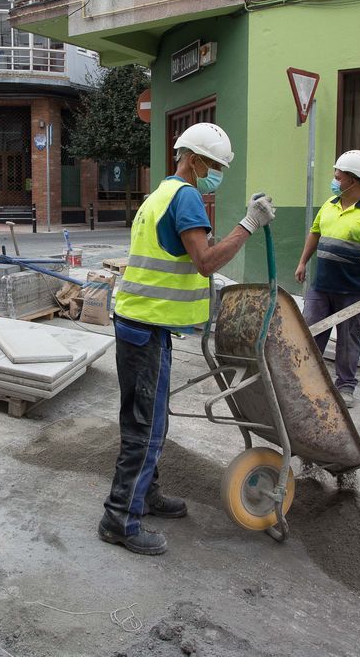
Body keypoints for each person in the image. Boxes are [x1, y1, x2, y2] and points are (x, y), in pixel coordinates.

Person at [99, 123, 275, 555]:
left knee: (147, 420)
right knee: (147, 427)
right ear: (194, 160)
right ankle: (119, 519)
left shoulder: (159, 195)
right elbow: (205, 260)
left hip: (140, 325)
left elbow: (175, 257)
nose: (217, 173)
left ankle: (147, 495)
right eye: (215, 165)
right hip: (146, 327)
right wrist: (249, 224)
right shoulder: (187, 196)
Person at [293, 149, 360, 408]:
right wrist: (303, 261)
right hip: (322, 286)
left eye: (338, 176)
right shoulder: (330, 205)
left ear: (353, 179)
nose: (335, 179)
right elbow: (315, 233)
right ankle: (307, 381)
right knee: (311, 331)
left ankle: (346, 386)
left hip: (354, 290)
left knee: (348, 339)